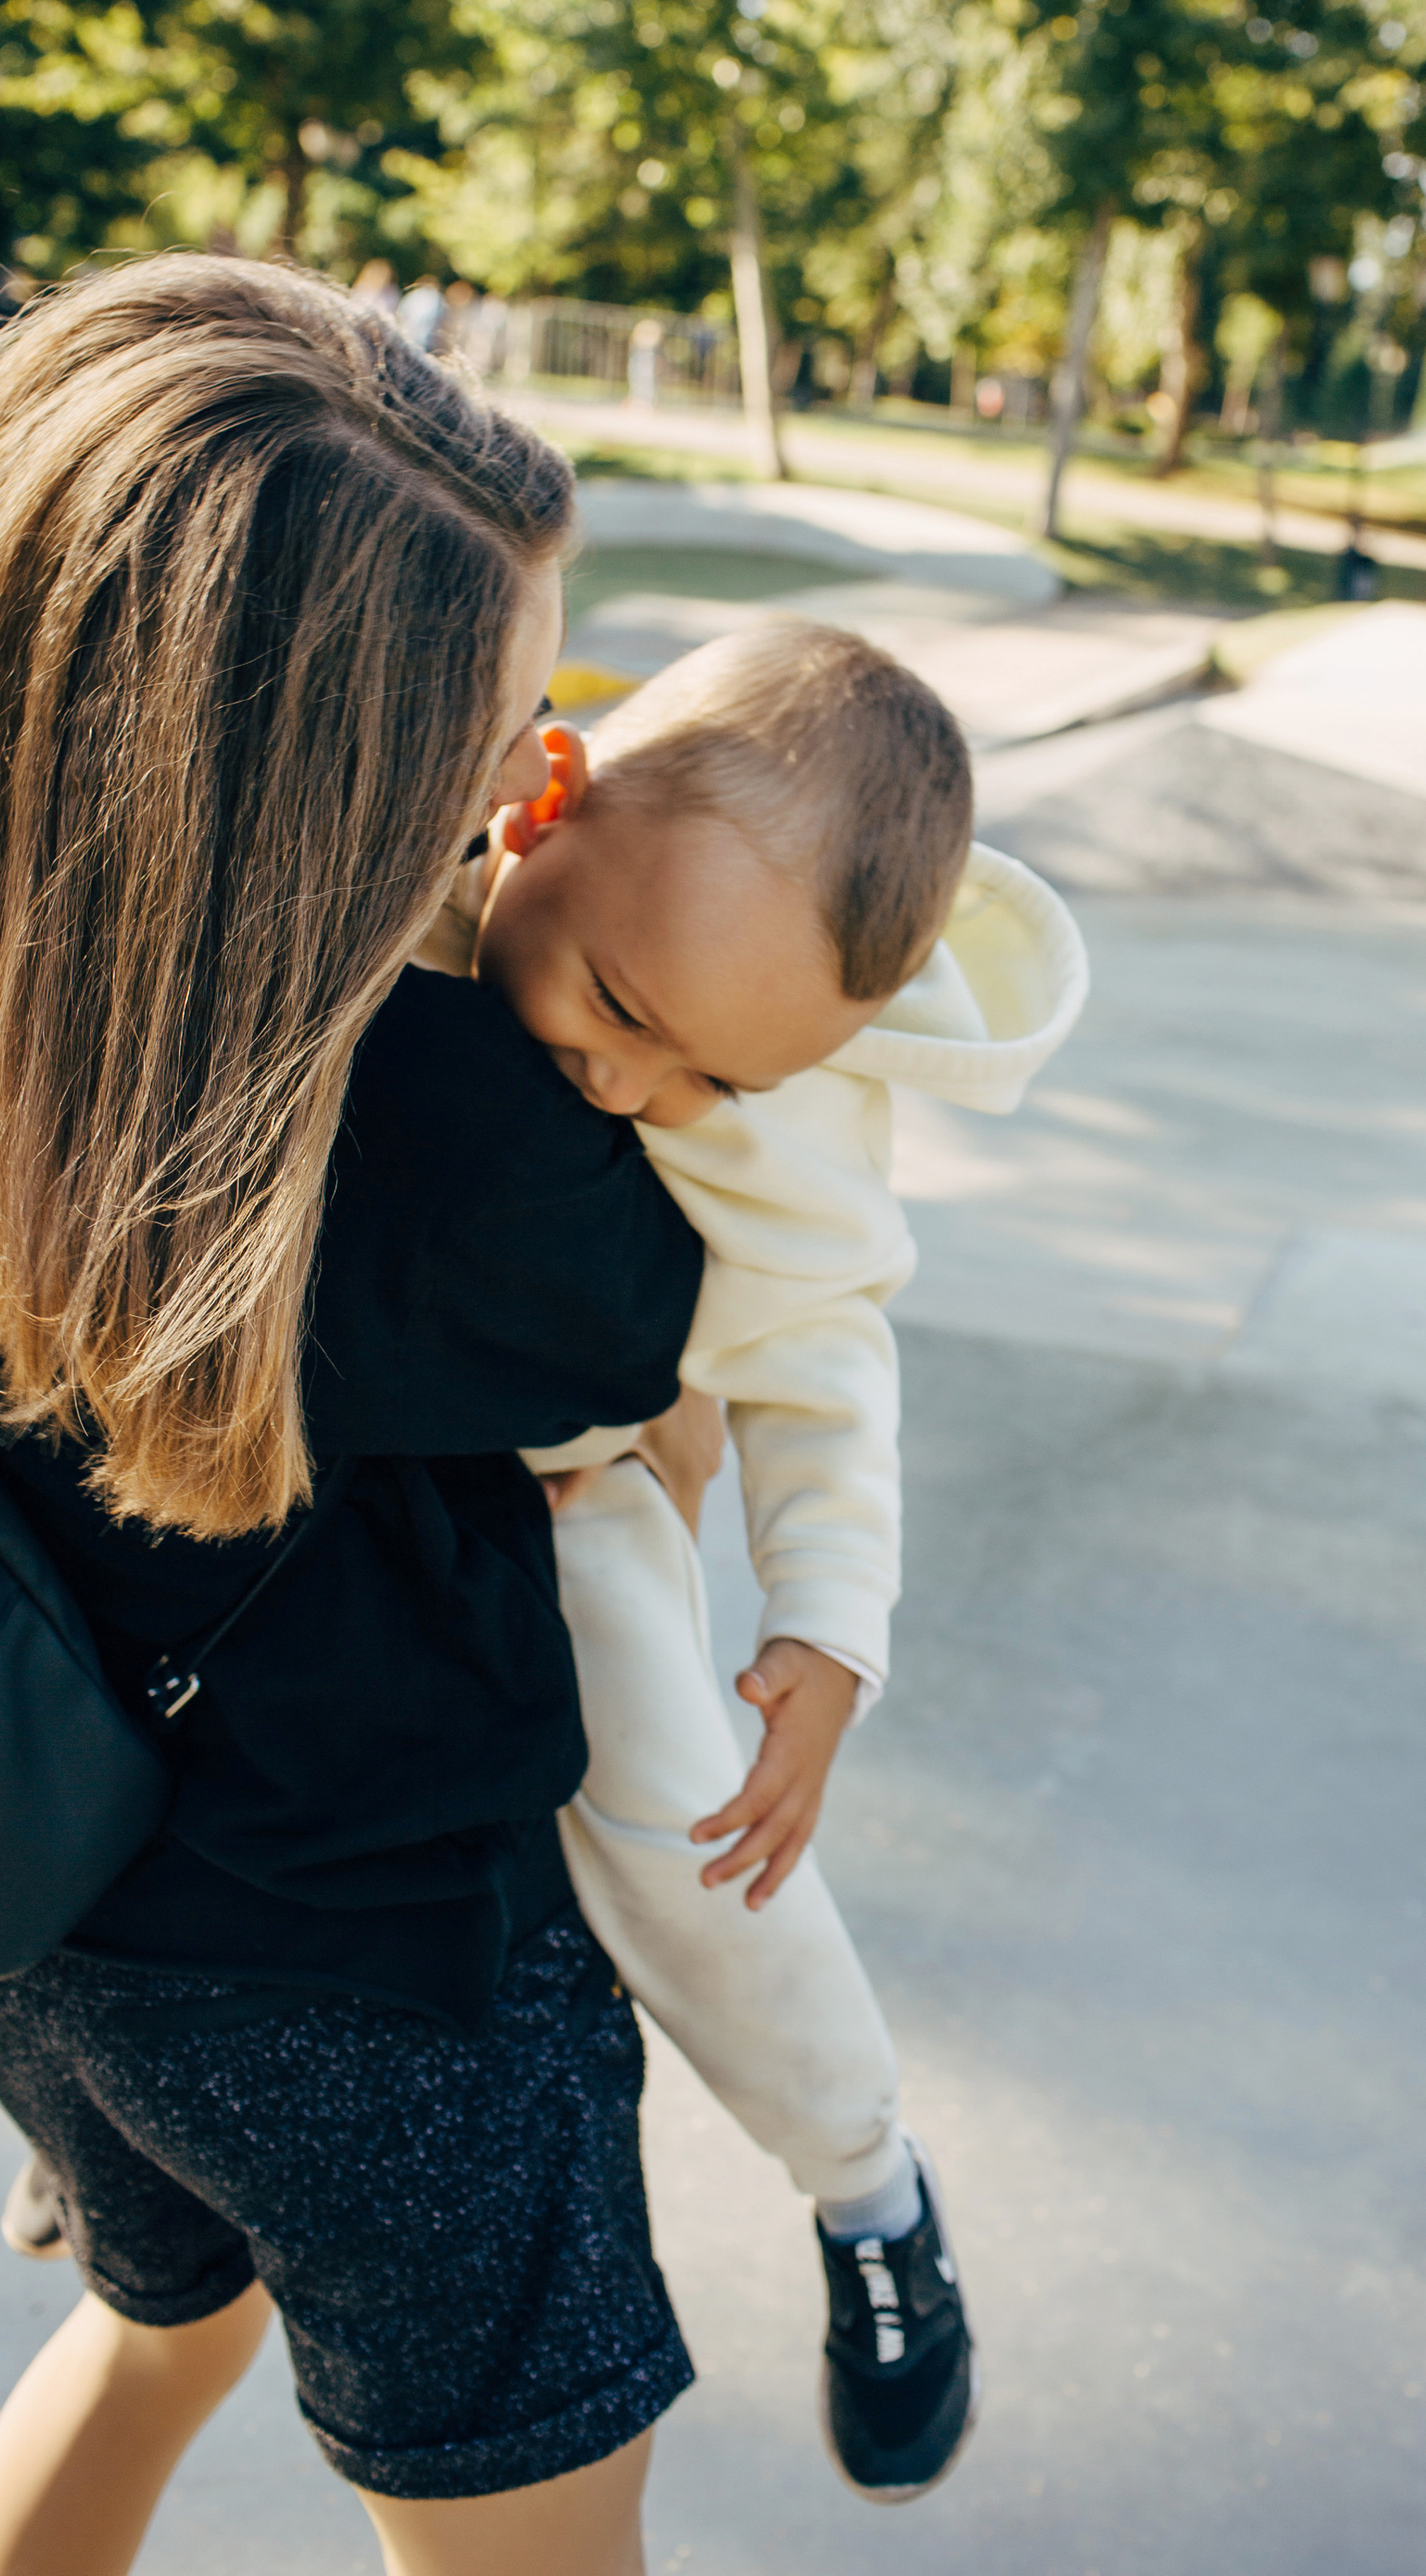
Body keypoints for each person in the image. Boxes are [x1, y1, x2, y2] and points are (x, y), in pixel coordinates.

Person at [0, 251, 720, 2576]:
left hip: (35, 1917)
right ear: (326, 802)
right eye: (504, 745)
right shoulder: (463, 1145)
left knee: (150, 2343)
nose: (532, 797)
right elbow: (670, 1386)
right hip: (387, 1991)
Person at [440, 622, 1087, 2500]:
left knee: (689, 1829)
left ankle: (866, 2186)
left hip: (579, 1498)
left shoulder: (780, 1091)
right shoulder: (387, 874)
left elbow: (819, 1354)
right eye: (620, 1005)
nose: (625, 1082)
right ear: (542, 801)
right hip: (312, 1476)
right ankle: (102, 2130)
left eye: (701, 1078)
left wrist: (825, 1626)